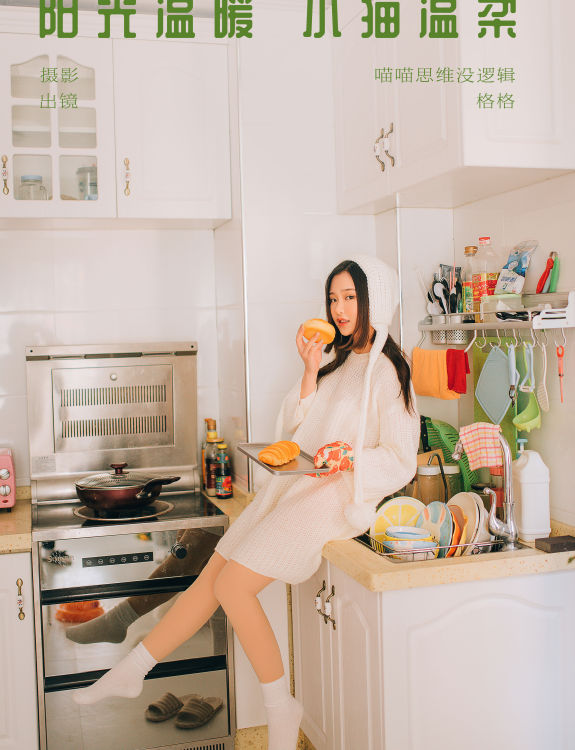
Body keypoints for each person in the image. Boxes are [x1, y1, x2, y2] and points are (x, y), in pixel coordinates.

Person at [73, 255, 420, 750]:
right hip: (295, 488)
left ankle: (281, 709)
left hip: (334, 500)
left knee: (234, 587)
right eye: (334, 298)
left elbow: (401, 458)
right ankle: (132, 669)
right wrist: (308, 369)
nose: (340, 309)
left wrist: (351, 460)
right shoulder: (338, 361)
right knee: (215, 574)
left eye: (350, 298)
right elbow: (299, 428)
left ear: (374, 301)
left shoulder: (388, 371)